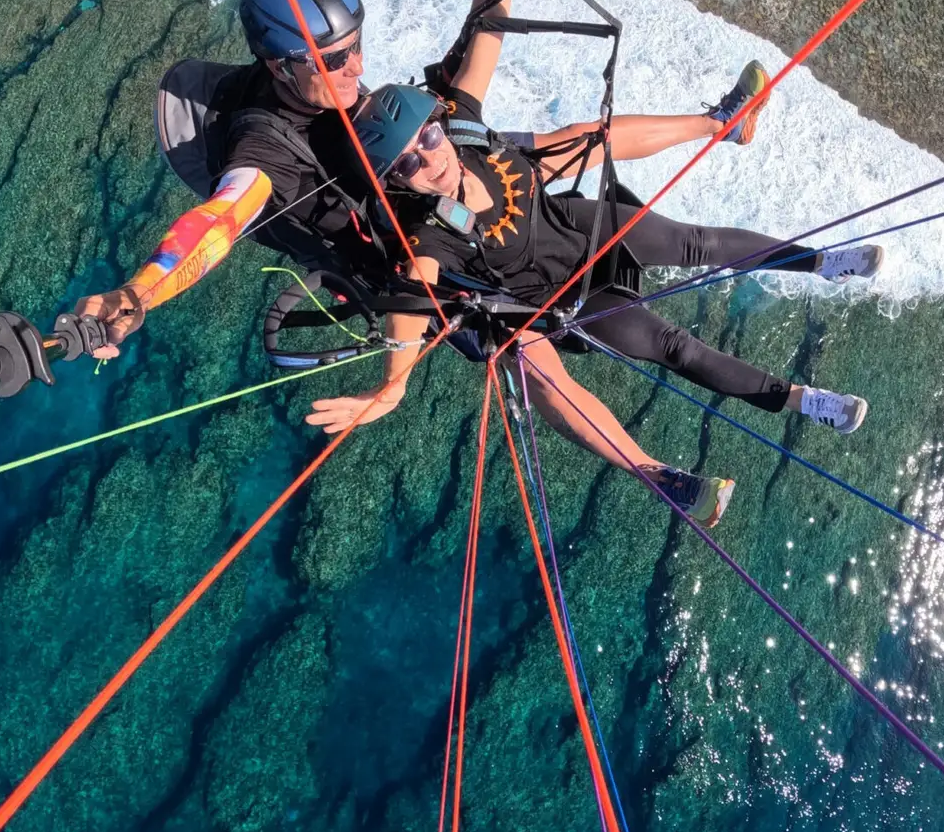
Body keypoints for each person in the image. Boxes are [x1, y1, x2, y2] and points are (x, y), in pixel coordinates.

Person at [301, 52, 884, 528]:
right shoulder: (430, 232)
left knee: (683, 234)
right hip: (546, 302)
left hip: (573, 229)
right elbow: (411, 293)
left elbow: (492, 22)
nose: (427, 161)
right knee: (667, 347)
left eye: (427, 137)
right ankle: (786, 409)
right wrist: (393, 384)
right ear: (393, 181)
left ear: (436, 122)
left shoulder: (463, 132)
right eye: (405, 167)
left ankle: (815, 254)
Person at [68, 0, 527, 353]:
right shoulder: (263, 146)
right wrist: (141, 292)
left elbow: (482, 30)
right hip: (417, 264)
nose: (357, 66)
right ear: (281, 67)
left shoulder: (314, 74)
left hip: (426, 177)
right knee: (534, 354)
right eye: (333, 58)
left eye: (356, 44)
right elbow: (219, 218)